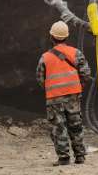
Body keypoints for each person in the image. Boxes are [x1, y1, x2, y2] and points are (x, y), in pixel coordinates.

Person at [35, 20, 92, 165]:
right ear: (67, 36)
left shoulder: (45, 57)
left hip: (54, 98)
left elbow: (40, 78)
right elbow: (85, 73)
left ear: (51, 37)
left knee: (58, 127)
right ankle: (80, 156)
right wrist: (78, 86)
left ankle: (64, 158)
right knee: (76, 125)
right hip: (73, 95)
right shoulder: (76, 53)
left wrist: (51, 87)